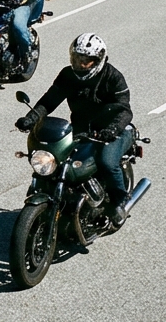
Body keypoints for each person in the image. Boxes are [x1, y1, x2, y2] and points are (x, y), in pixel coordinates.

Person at [14, 33, 133, 225]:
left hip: (114, 131)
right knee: (58, 161)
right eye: (77, 59)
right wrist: (31, 118)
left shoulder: (113, 77)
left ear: (98, 60)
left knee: (106, 162)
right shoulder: (68, 75)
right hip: (82, 129)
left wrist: (112, 130)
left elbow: (125, 111)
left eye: (85, 61)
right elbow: (49, 100)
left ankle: (119, 201)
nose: (80, 64)